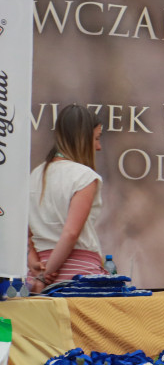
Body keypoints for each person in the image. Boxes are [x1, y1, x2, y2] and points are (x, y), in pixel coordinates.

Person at [27, 104, 107, 293]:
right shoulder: (84, 177)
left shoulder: (34, 175)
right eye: (96, 139)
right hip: (77, 276)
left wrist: (36, 266)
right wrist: (45, 276)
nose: (99, 147)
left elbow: (27, 235)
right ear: (82, 138)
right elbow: (70, 233)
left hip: (38, 272)